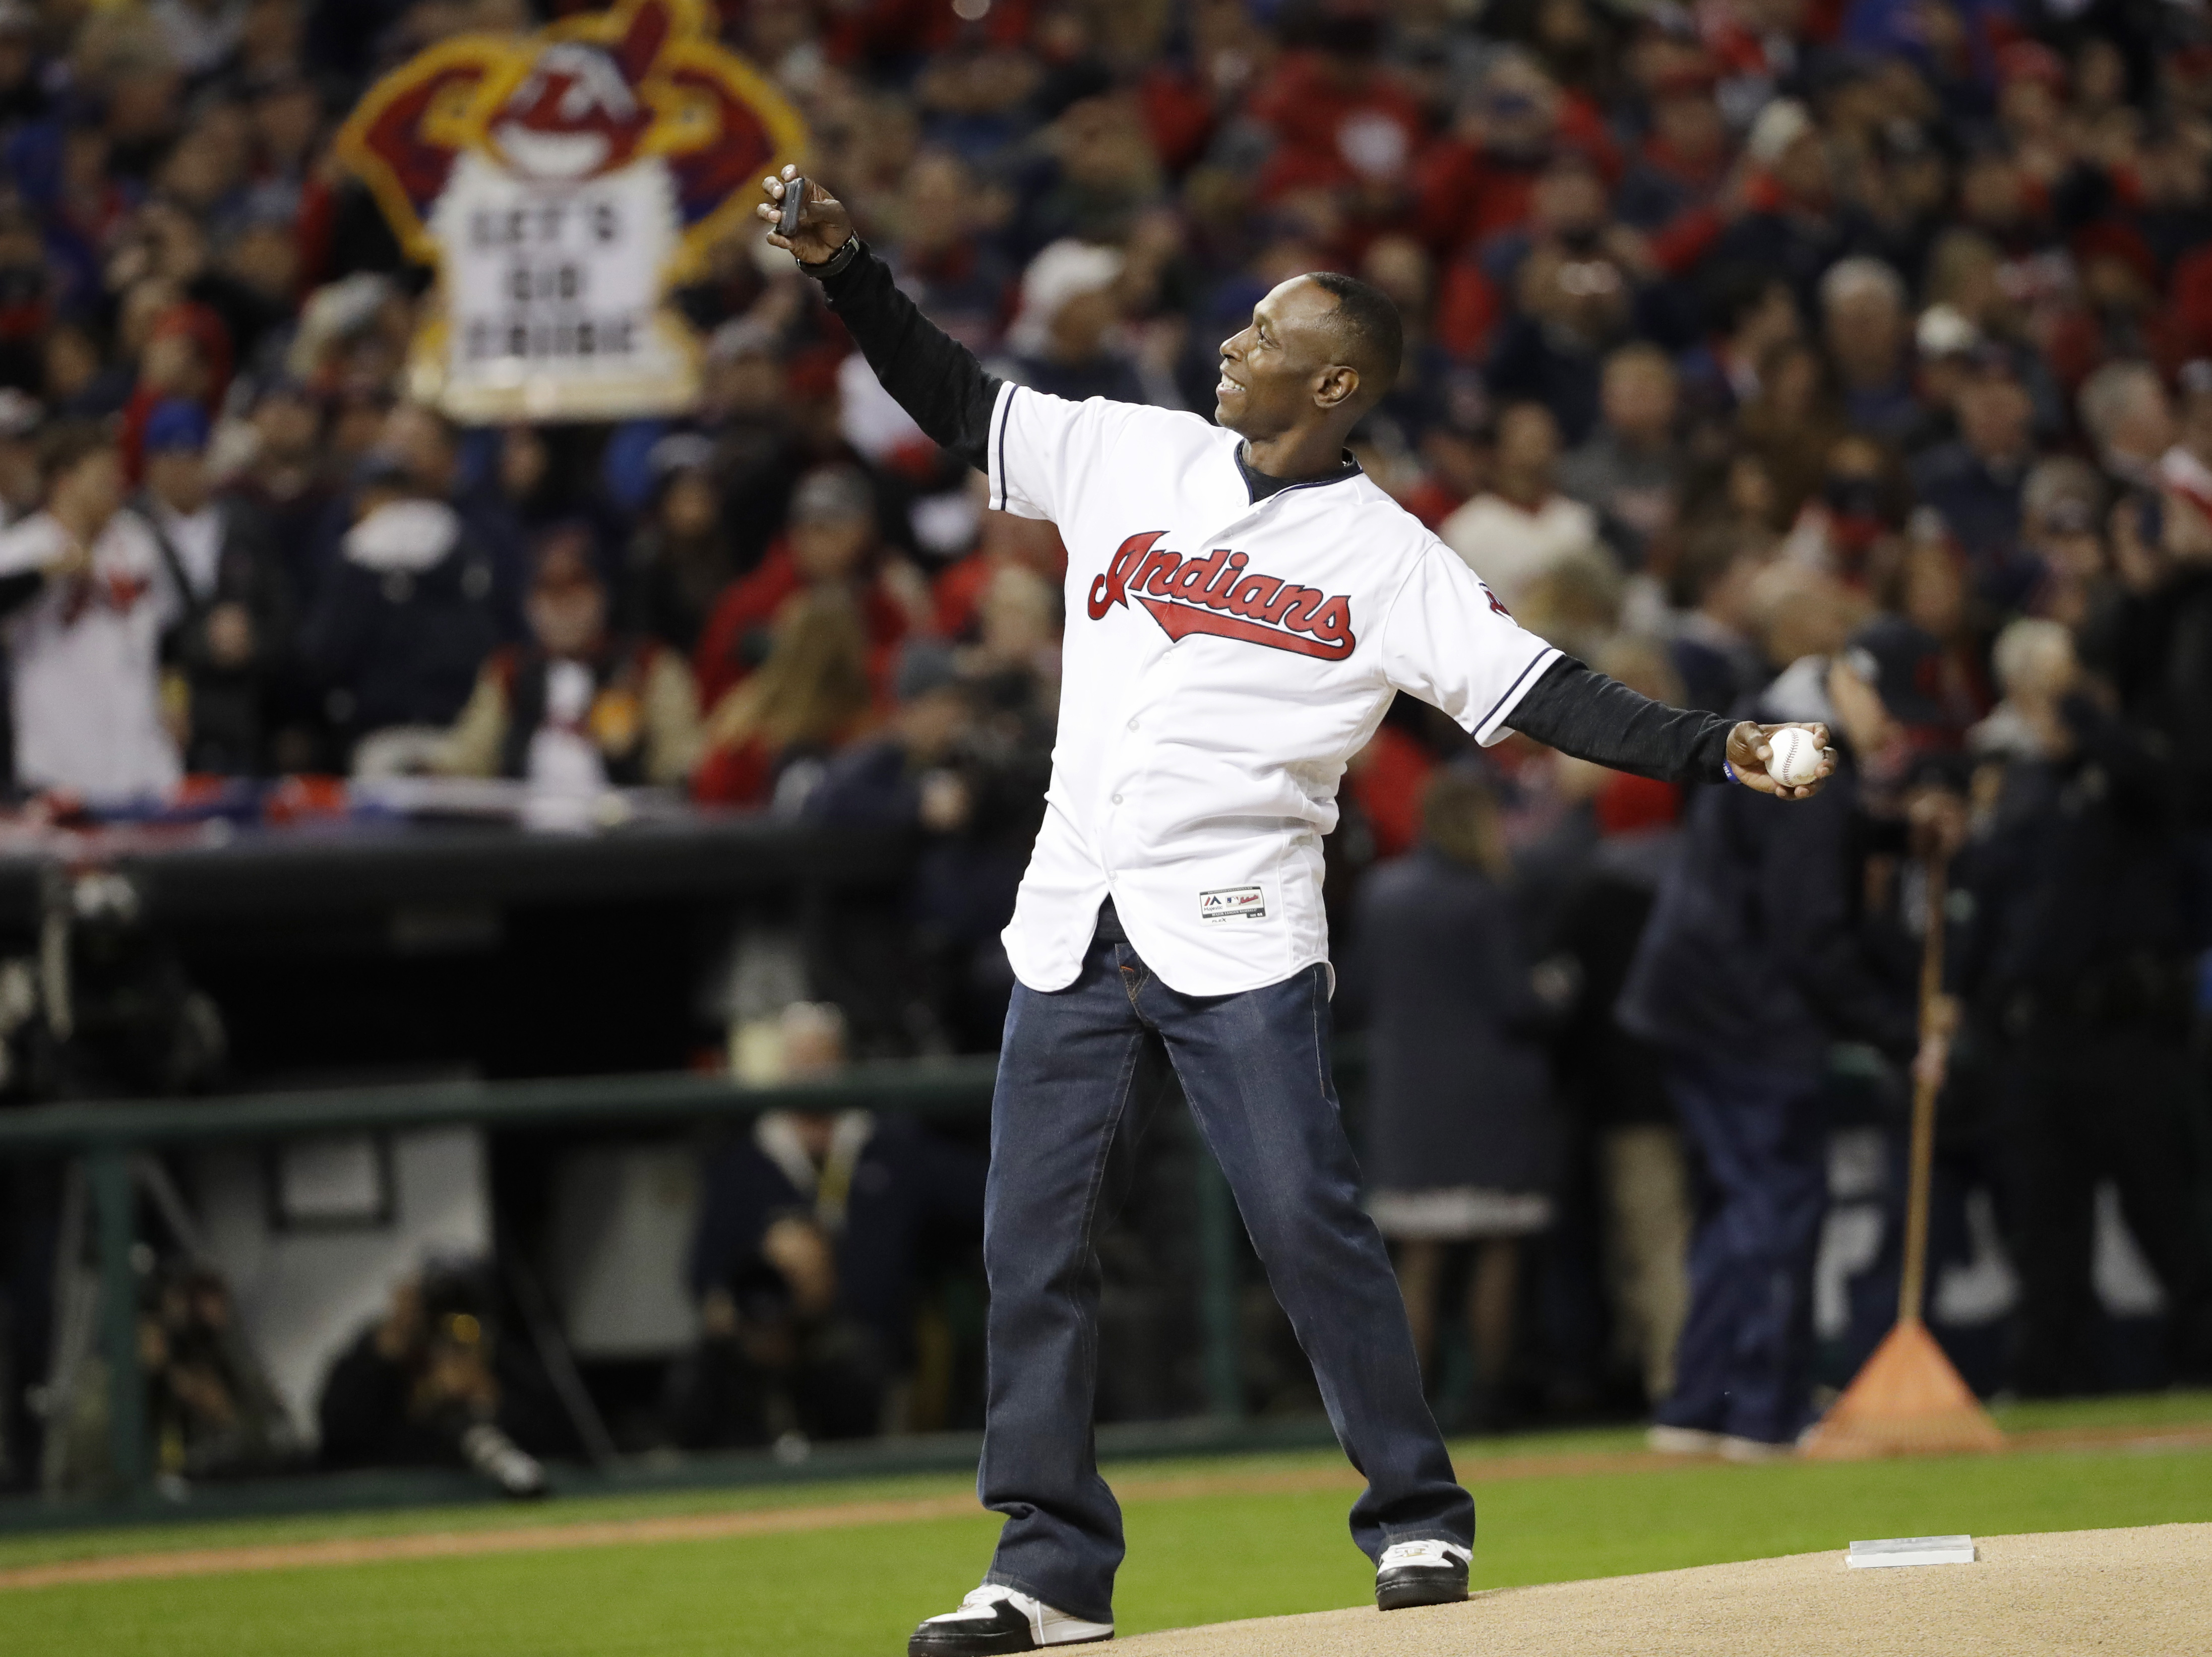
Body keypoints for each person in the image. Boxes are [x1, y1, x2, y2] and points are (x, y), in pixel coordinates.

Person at [760, 166, 1835, 1655]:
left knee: (1304, 1224)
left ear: (1330, 380)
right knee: (1029, 1246)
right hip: (1076, 912)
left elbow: (1543, 695)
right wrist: (846, 271)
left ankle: (1414, 1519)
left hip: (1240, 924)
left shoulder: (1388, 556)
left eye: (1264, 330)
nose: (1230, 341)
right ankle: (1048, 1564)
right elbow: (956, 402)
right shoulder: (1133, 453)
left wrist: (1710, 744)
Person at [1355, 767, 1559, 1429]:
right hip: (1488, 1094)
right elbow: (1516, 1000)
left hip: (1407, 1098)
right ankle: (1491, 1397)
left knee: (1421, 1255)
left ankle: (1406, 1407)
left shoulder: (1383, 891)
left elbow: (1358, 989)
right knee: (1495, 1248)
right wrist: (1560, 988)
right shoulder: (1485, 894)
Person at [434, 532, 703, 793]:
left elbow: (678, 756)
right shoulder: (508, 671)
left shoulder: (650, 664)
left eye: (575, 592)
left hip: (627, 829)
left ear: (601, 595)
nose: (562, 609)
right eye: (549, 594)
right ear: (529, 605)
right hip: (524, 828)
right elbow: (473, 756)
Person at [0, 421, 180, 802]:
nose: (116, 484)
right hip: (59, 764)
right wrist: (48, 571)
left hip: (145, 761)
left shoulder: (138, 540)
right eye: (102, 475)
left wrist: (176, 694)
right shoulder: (23, 547)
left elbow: (171, 628)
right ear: (64, 481)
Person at [136, 396, 294, 775]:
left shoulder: (245, 526)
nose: (180, 470)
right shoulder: (131, 531)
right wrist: (202, 641)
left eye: (190, 456)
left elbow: (285, 618)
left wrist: (252, 638)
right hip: (164, 722)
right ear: (149, 464)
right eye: (169, 457)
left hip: (245, 718)